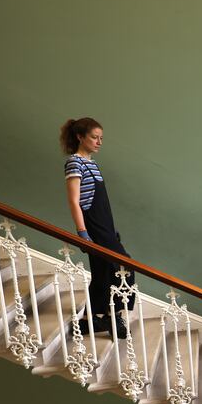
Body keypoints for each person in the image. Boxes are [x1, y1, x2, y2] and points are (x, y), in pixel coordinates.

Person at [61, 117, 131, 338]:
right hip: (94, 227)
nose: (99, 142)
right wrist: (82, 233)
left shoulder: (92, 164)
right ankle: (113, 314)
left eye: (101, 138)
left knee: (102, 273)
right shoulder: (75, 162)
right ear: (80, 137)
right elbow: (74, 201)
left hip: (105, 227)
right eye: (94, 137)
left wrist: (111, 231)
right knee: (123, 266)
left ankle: (87, 321)